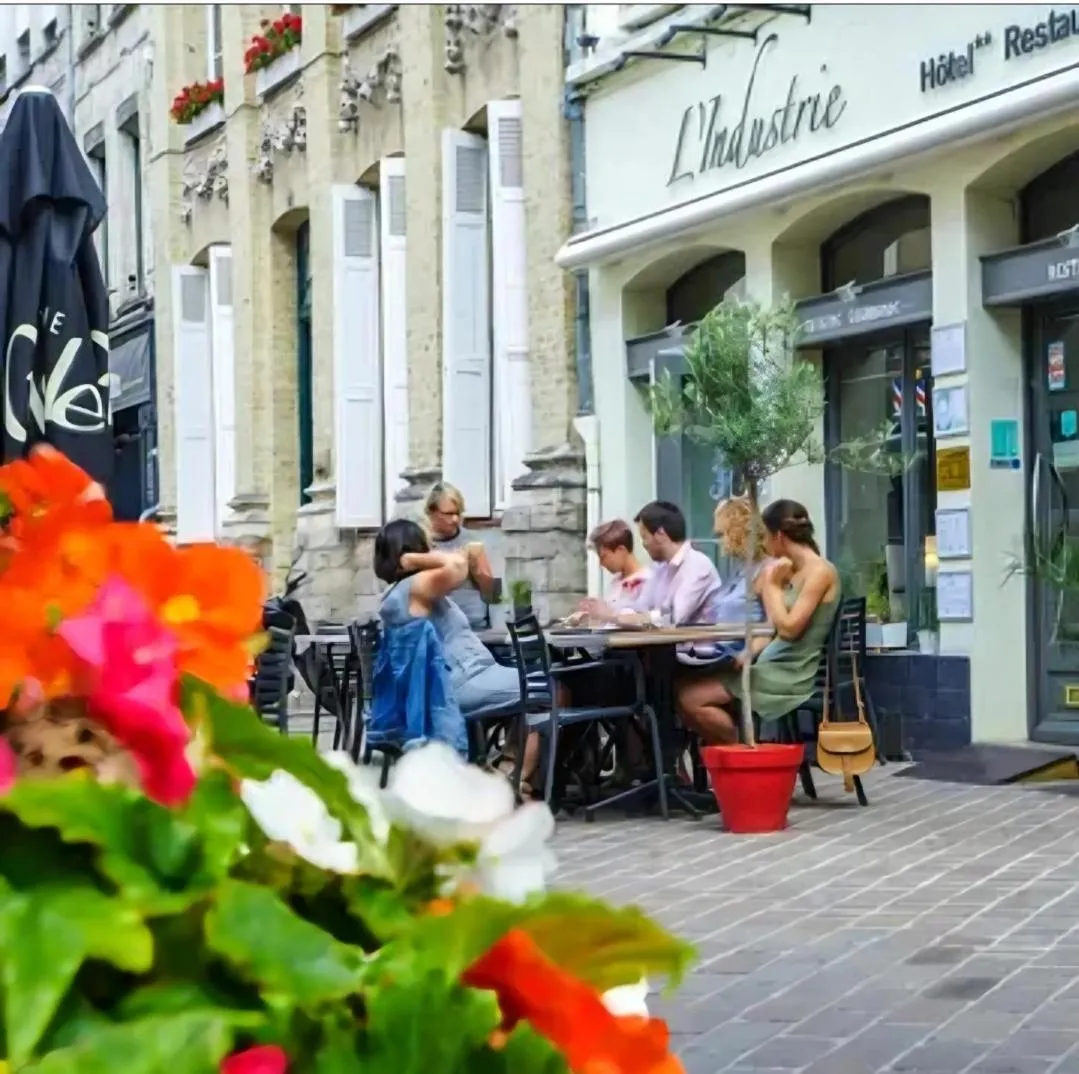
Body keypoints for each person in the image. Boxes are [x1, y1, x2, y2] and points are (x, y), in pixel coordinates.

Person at [374, 519, 540, 785]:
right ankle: (515, 777)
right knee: (552, 687)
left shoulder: (399, 593)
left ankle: (511, 766)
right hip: (465, 679)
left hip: (465, 675)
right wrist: (412, 559)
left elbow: (483, 586)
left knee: (539, 684)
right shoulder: (418, 585)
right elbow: (458, 565)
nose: (432, 547)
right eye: (426, 543)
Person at [675, 499, 840, 746]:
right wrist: (749, 652)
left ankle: (741, 753)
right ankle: (738, 753)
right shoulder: (792, 570)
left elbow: (789, 630)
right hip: (770, 663)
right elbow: (770, 628)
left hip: (791, 672)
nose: (763, 545)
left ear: (778, 536)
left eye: (765, 537)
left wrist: (771, 586)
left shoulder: (820, 572)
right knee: (683, 689)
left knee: (690, 698)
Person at [680, 498, 771, 667]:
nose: (720, 541)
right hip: (718, 650)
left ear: (738, 533)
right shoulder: (740, 570)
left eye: (722, 534)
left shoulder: (766, 571)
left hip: (738, 657)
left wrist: (747, 654)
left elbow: (770, 628)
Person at [608, 501, 722, 626]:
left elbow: (673, 618)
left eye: (644, 537)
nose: (643, 544)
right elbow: (640, 607)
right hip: (661, 638)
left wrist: (619, 618)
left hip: (694, 639)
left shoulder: (698, 565)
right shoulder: (659, 568)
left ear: (660, 534)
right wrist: (618, 615)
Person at [424, 481, 499, 630]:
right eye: (448, 514)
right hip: (436, 626)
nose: (455, 519)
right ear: (432, 513)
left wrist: (477, 570)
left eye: (458, 513)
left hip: (472, 625)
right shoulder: (421, 543)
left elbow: (493, 595)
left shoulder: (471, 540)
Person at [573, 519, 651, 622]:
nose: (601, 563)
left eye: (604, 556)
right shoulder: (616, 583)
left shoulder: (648, 581)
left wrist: (609, 614)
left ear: (621, 550)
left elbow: (647, 620)